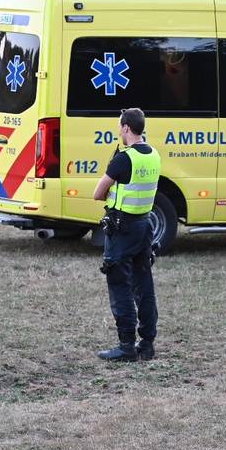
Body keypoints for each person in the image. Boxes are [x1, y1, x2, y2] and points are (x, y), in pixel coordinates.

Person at [92, 108, 160, 362]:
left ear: (126, 128)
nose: (119, 130)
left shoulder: (123, 159)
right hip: (144, 226)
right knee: (144, 286)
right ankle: (147, 343)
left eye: (120, 126)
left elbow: (98, 193)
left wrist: (112, 195)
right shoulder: (154, 155)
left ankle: (126, 346)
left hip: (122, 229)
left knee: (120, 285)